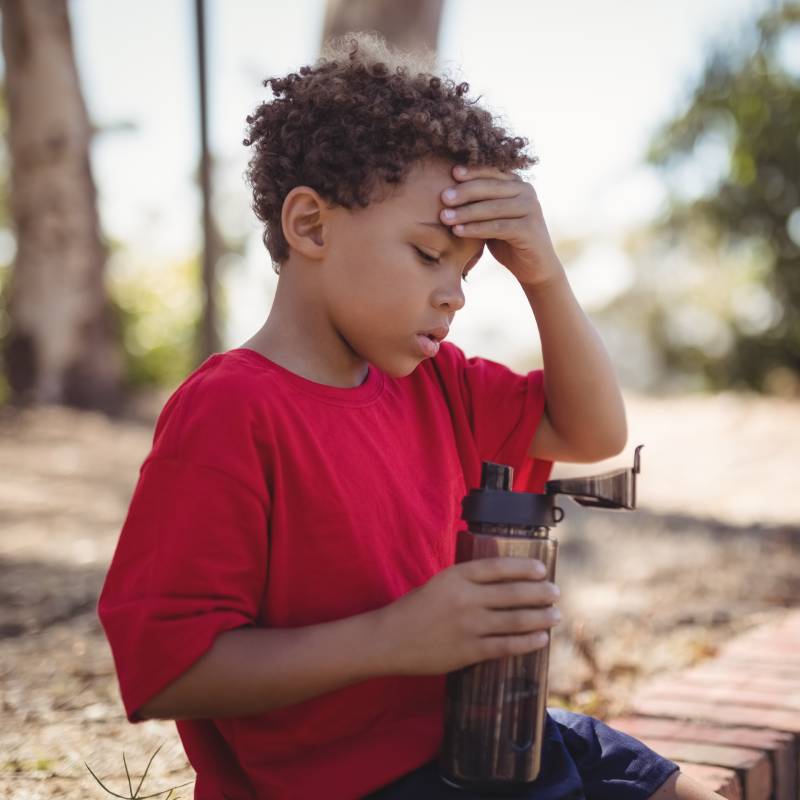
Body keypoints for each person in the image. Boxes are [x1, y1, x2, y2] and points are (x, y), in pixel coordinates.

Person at [97, 31, 723, 800]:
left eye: (466, 271)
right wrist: (394, 640)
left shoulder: (439, 383)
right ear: (312, 226)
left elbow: (593, 431)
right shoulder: (231, 410)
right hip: (360, 784)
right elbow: (172, 672)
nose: (455, 294)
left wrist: (543, 274)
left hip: (488, 737)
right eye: (429, 255)